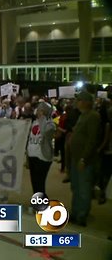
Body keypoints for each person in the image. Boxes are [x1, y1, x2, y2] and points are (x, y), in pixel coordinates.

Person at [69, 91, 101, 227]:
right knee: (75, 187)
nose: (77, 102)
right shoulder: (83, 115)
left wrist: (84, 158)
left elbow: (92, 140)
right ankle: (75, 212)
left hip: (84, 160)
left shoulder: (93, 116)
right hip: (75, 158)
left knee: (84, 189)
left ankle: (82, 215)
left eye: (80, 100)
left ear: (87, 102)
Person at [27, 102, 56, 195]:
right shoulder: (34, 122)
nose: (37, 111)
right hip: (32, 155)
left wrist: (43, 118)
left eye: (39, 110)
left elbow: (44, 133)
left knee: (40, 183)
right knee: (34, 183)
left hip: (43, 157)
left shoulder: (51, 124)